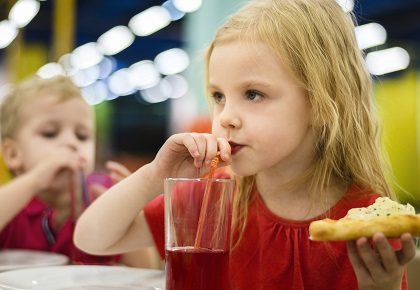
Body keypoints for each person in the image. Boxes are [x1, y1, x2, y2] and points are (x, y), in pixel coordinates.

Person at [73, 0, 417, 289]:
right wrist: (154, 175)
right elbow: (92, 238)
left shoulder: (364, 221)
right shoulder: (215, 199)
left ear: (322, 105)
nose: (225, 118)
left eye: (253, 94)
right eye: (218, 96)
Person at [0, 75, 158, 268]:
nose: (70, 143)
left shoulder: (105, 195)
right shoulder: (7, 206)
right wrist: (34, 180)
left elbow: (146, 268)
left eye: (82, 136)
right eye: (50, 133)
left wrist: (127, 212)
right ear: (12, 154)